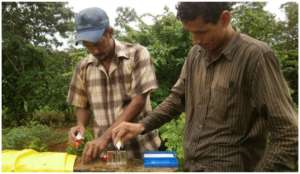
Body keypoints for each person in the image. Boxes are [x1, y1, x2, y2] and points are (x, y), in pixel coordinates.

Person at [112, 2, 298, 172]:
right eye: (190, 32)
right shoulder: (196, 55)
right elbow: (177, 99)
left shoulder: (256, 57)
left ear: (225, 18)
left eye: (202, 32)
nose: (195, 40)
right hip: (193, 167)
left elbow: (288, 134)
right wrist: (141, 126)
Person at [67, 7, 161, 163]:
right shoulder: (83, 67)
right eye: (88, 45)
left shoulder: (137, 54)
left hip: (142, 150)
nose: (94, 50)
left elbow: (138, 101)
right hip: (105, 155)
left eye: (97, 43)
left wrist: (105, 138)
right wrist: (80, 125)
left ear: (109, 32)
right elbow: (82, 104)